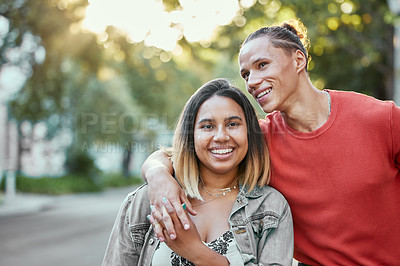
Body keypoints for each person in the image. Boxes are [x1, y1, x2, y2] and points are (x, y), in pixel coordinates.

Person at [142, 19, 400, 265]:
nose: (251, 82)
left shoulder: (381, 119)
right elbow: (178, 153)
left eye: (262, 65)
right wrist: (158, 176)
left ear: (298, 59)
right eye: (245, 74)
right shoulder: (258, 140)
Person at [103, 79, 294, 265]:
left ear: (250, 132)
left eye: (233, 124)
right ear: (191, 135)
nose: (221, 136)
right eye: (207, 126)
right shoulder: (149, 199)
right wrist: (157, 172)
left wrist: (197, 252)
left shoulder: (271, 208)